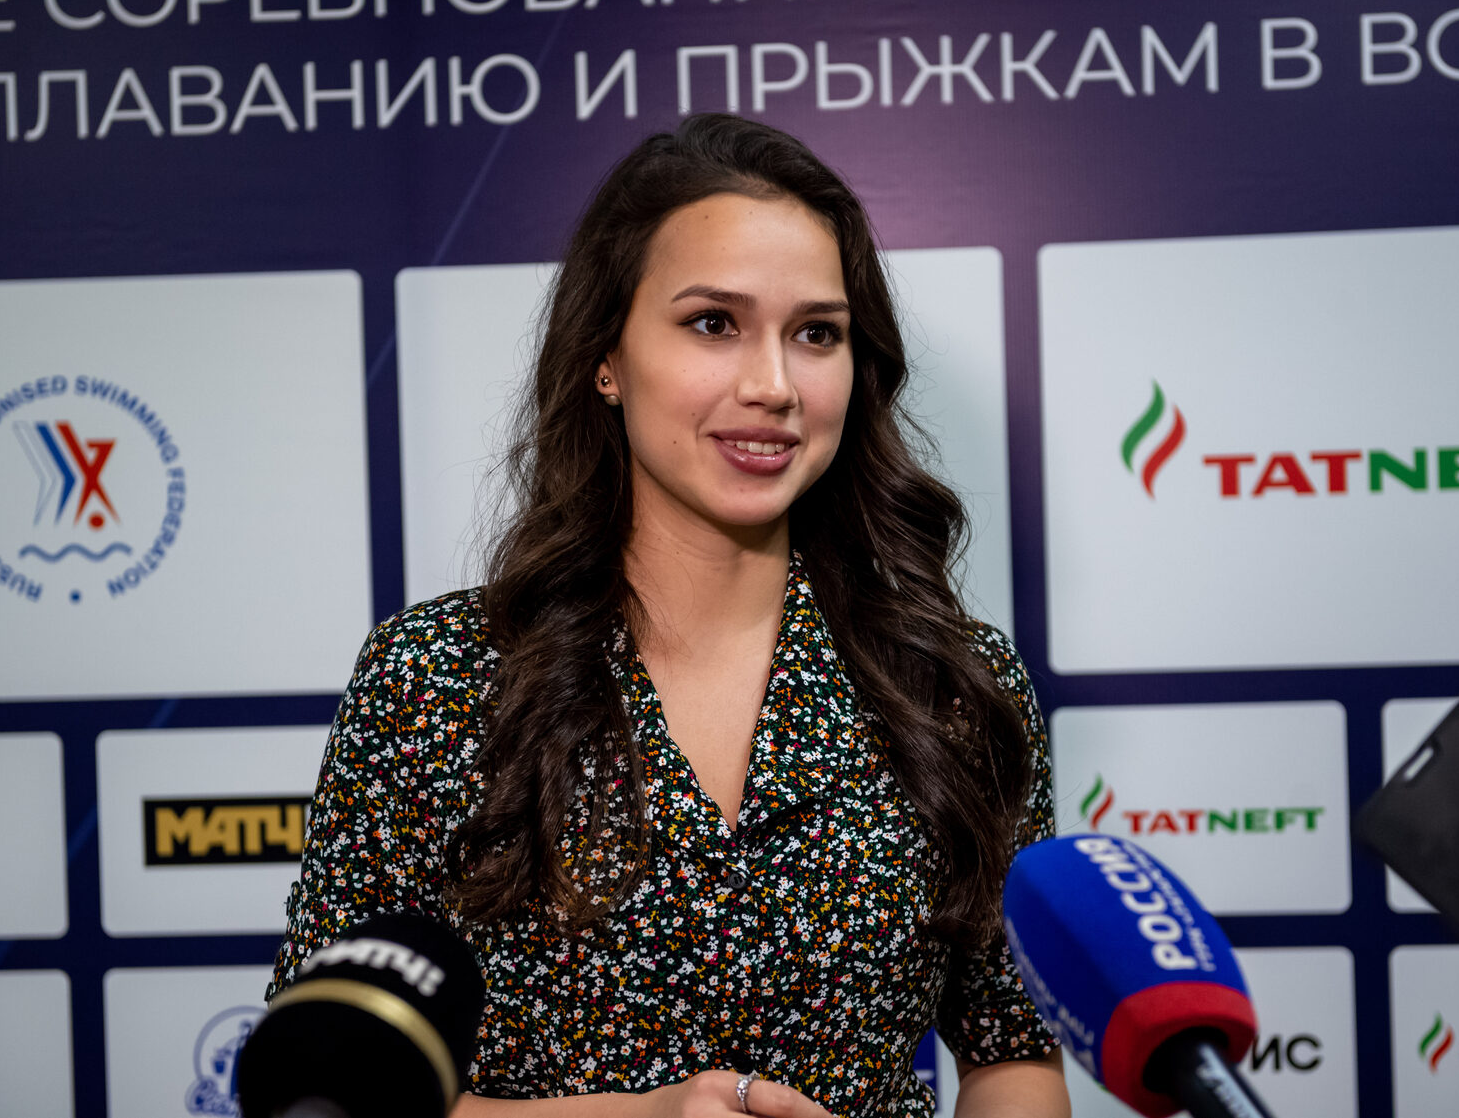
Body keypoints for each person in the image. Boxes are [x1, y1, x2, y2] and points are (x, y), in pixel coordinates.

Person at [269, 114, 1069, 1118]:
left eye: (816, 333)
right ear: (606, 354)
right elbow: (330, 1083)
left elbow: (1011, 1049)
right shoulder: (432, 679)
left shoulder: (950, 687)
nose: (773, 385)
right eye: (713, 323)